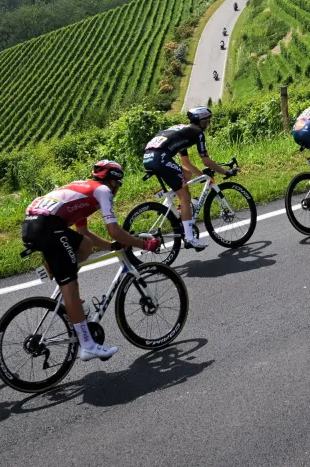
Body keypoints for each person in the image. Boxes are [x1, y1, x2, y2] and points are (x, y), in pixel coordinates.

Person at [22, 161, 158, 362]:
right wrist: (143, 244)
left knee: (83, 245)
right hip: (48, 227)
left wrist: (112, 246)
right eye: (118, 185)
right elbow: (114, 229)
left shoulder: (85, 189)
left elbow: (83, 232)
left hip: (32, 225)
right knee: (70, 285)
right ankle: (88, 345)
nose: (117, 189)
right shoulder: (103, 191)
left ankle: (71, 296)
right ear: (113, 181)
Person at [142, 107, 234, 250]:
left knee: (186, 175)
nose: (208, 124)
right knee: (185, 196)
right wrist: (225, 172)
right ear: (202, 121)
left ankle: (177, 211)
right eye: (207, 121)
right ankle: (190, 238)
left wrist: (201, 176)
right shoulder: (197, 133)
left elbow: (186, 163)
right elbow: (206, 161)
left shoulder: (183, 132)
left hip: (149, 156)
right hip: (160, 157)